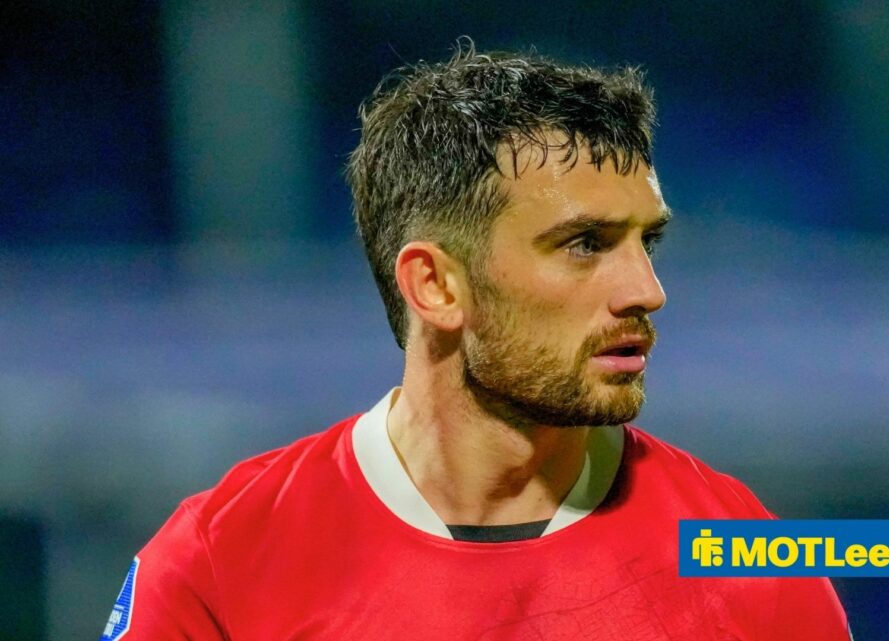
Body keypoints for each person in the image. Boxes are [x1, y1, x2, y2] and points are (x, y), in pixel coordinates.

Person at [100, 44, 849, 640]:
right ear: (436, 286)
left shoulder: (749, 569)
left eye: (646, 240)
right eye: (586, 243)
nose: (646, 289)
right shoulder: (222, 562)